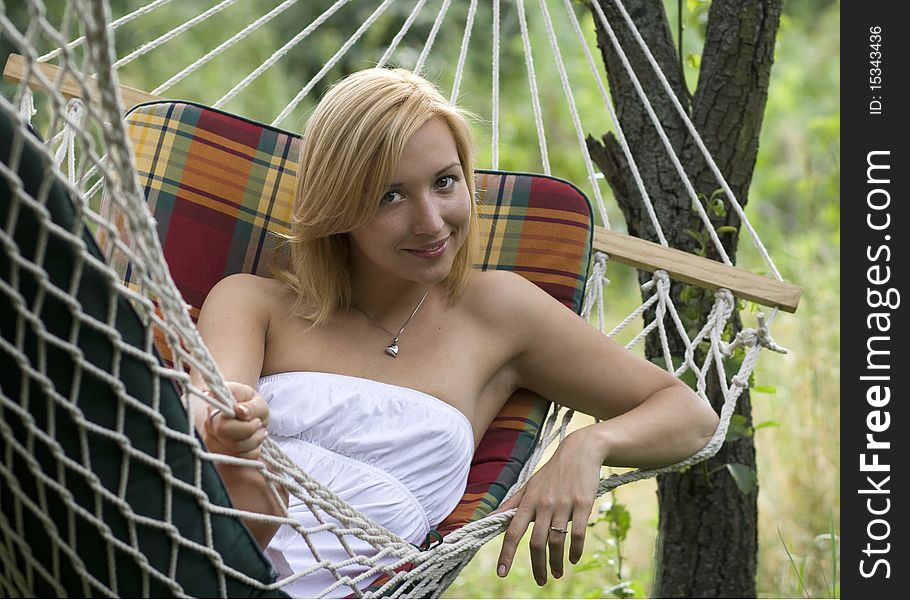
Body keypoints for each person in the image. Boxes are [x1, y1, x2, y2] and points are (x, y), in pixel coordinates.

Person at [190, 67, 719, 598]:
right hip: (201, 551)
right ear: (339, 204)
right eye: (390, 196)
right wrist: (228, 424)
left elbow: (690, 416)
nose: (431, 221)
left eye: (445, 182)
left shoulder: (498, 313)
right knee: (238, 472)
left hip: (345, 585)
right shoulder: (253, 302)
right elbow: (204, 418)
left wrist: (590, 443)